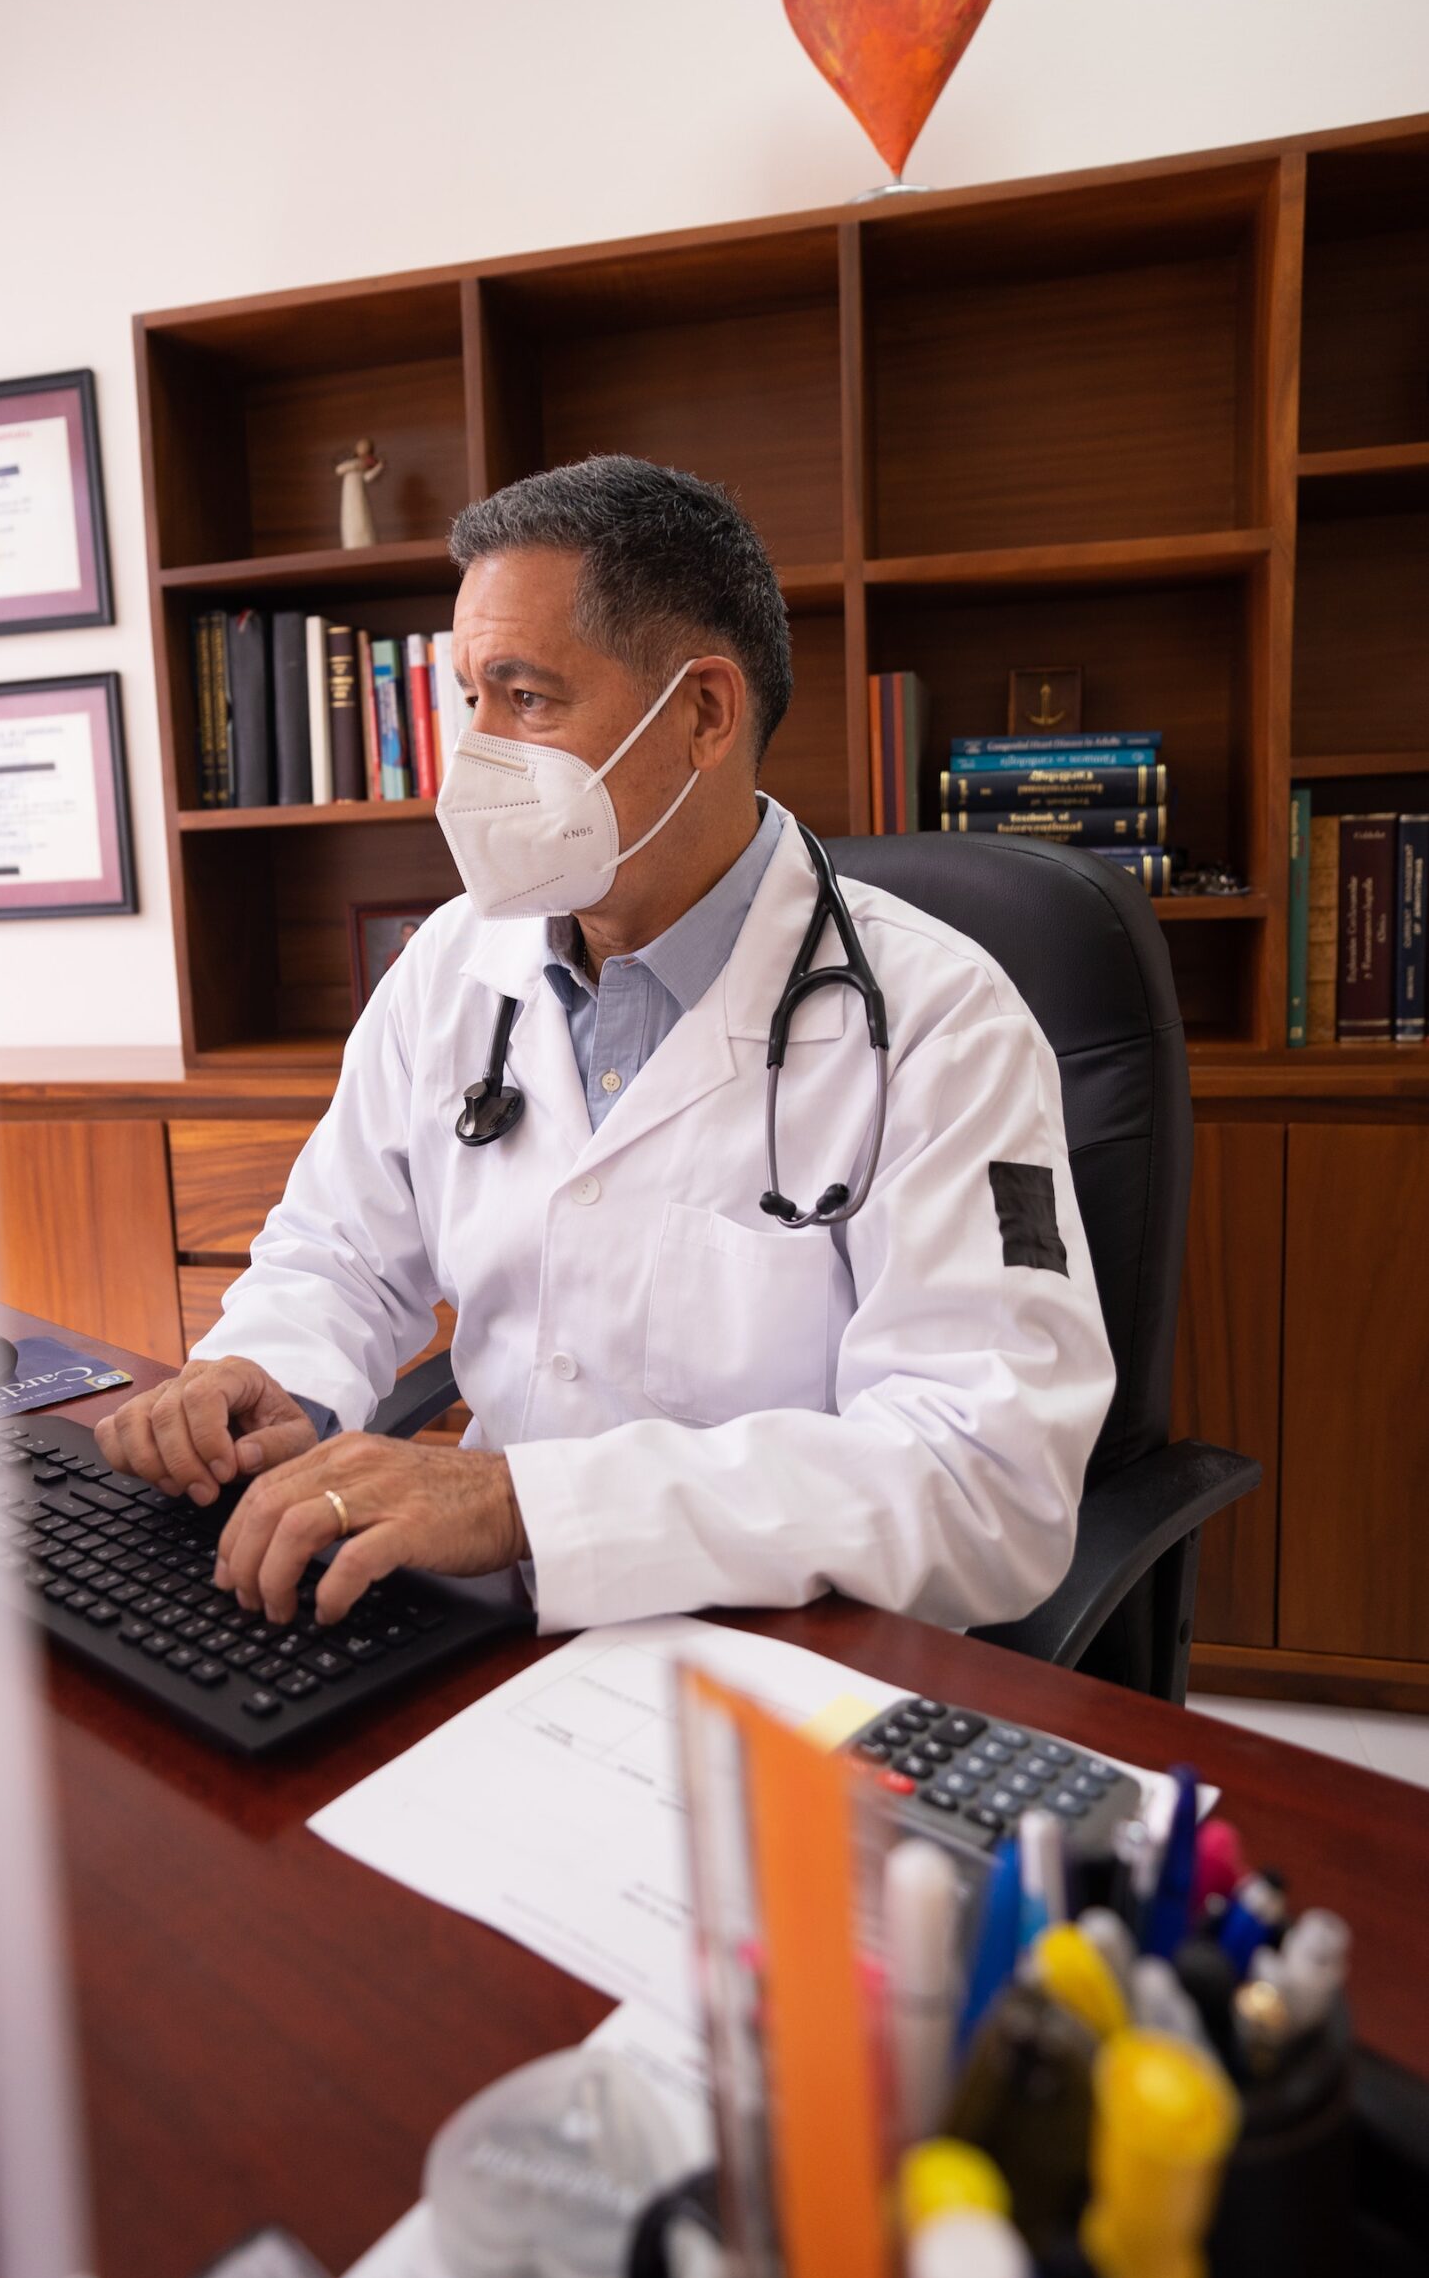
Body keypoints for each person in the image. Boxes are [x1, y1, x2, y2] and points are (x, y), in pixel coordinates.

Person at [97, 457, 1114, 1637]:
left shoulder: (943, 1022)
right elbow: (337, 1256)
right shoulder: (451, 965)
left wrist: (531, 1504)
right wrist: (266, 1378)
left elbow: (986, 1482)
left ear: (704, 713)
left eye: (526, 699)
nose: (474, 758)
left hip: (777, 1646)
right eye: (469, 697)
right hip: (481, 1626)